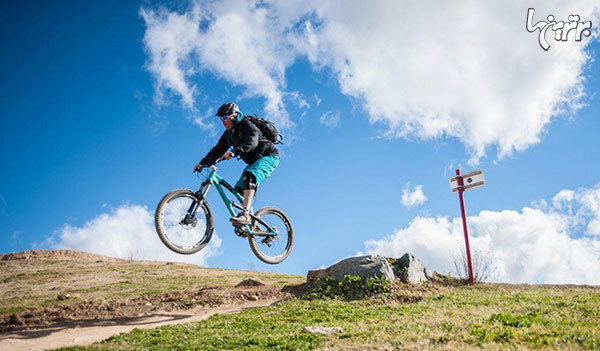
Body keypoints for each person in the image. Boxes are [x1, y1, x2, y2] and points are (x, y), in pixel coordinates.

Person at [194, 102, 280, 227]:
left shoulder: (246, 124)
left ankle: (245, 214)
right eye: (220, 119)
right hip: (255, 162)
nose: (223, 121)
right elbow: (217, 150)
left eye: (225, 117)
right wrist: (202, 164)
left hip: (269, 157)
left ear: (234, 115)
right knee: (239, 190)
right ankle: (251, 222)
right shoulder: (228, 134)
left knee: (249, 175)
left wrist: (234, 152)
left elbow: (252, 142)